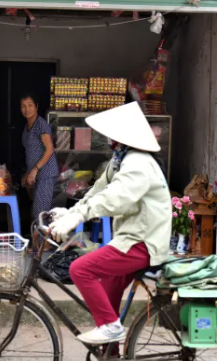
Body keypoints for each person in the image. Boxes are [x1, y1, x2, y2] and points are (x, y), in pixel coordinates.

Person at [48, 102, 171, 345]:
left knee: (80, 269)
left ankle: (111, 328)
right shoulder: (120, 160)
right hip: (130, 239)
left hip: (142, 243)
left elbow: (116, 198)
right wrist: (73, 212)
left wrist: (79, 217)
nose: (107, 139)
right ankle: (109, 357)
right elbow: (99, 191)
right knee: (107, 298)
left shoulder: (139, 163)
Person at [20, 93, 59, 222]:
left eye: (30, 105)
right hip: (36, 174)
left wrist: (35, 170)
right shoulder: (27, 126)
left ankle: (43, 242)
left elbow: (49, 150)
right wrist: (28, 173)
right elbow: (31, 152)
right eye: (23, 106)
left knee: (40, 213)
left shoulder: (41, 125)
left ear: (36, 106)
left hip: (46, 174)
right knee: (37, 211)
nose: (27, 109)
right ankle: (39, 241)